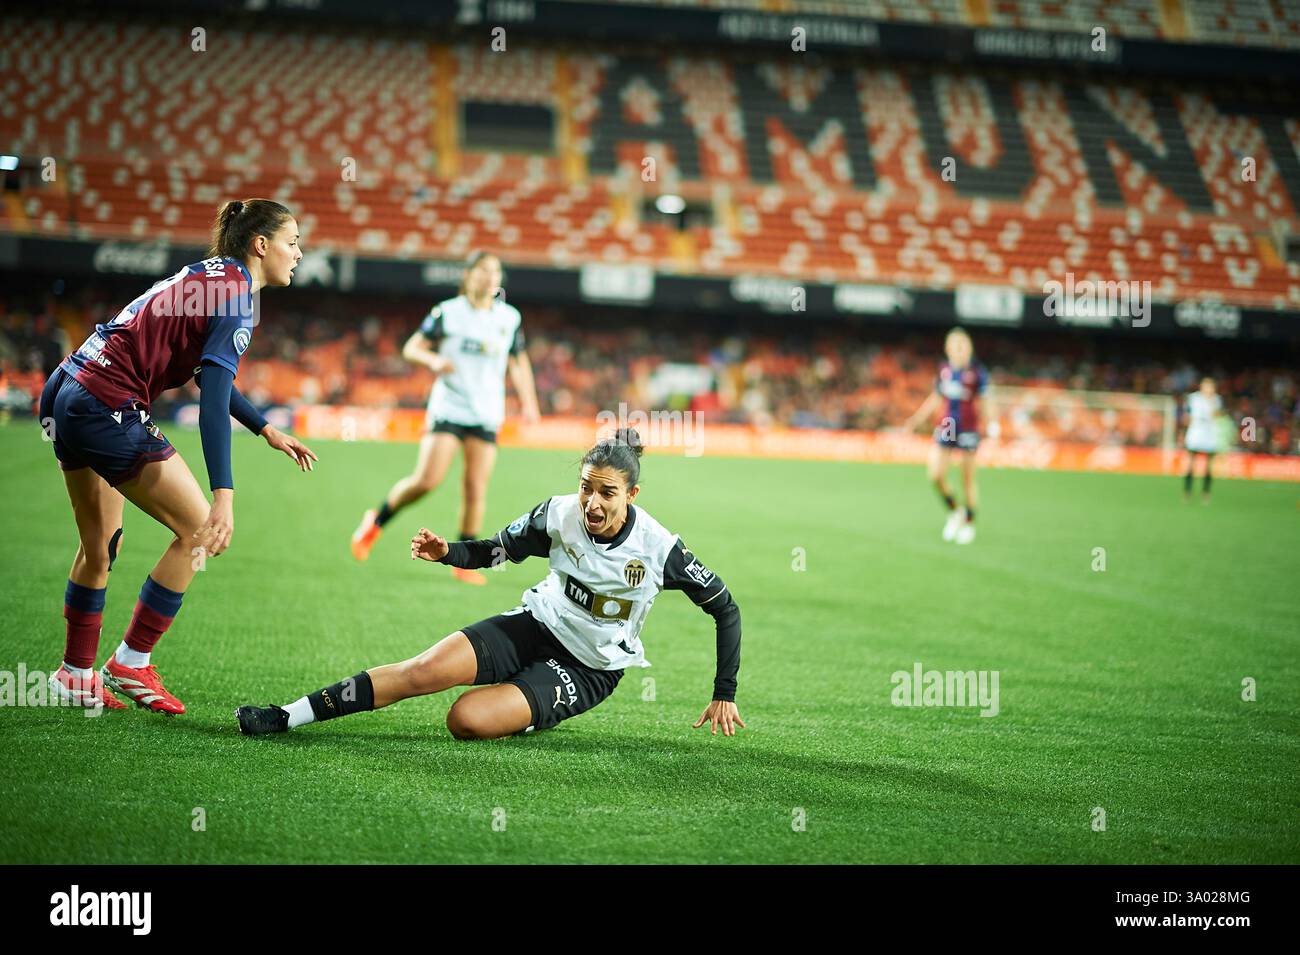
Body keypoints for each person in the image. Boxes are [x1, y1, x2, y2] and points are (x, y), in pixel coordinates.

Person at [240, 429, 744, 739]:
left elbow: (726, 609)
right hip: (536, 625)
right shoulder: (558, 514)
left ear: (632, 494)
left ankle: (528, 703)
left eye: (607, 493)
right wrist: (448, 554)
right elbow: (496, 550)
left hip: (589, 667)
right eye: (585, 487)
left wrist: (725, 691)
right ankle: (288, 716)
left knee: (465, 720)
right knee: (422, 671)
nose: (592, 503)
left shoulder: (659, 549)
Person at [39, 199, 317, 714]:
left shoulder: (211, 276)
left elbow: (206, 373)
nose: (299, 253)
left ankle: (75, 674)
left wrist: (265, 428)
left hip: (69, 385)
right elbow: (211, 399)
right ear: (261, 245)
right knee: (199, 532)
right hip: (107, 402)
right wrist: (224, 496)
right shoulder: (238, 298)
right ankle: (131, 661)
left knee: (99, 548)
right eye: (293, 241)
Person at [350, 251, 541, 585]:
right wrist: (432, 360)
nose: (490, 277)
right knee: (427, 480)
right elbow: (411, 347)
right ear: (468, 275)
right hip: (449, 407)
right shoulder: (448, 313)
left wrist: (529, 401)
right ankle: (375, 521)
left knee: (475, 487)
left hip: (486, 412)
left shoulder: (509, 318)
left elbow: (518, 361)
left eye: (495, 272)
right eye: (483, 270)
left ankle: (464, 563)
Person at [902, 328, 987, 545]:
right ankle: (955, 511)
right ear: (948, 349)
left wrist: (991, 426)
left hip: (968, 428)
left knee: (966, 478)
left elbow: (985, 401)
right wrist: (916, 420)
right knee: (935, 475)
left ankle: (968, 523)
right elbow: (936, 398)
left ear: (969, 348)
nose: (959, 350)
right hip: (947, 426)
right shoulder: (944, 370)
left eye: (962, 345)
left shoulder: (977, 372)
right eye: (954, 346)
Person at [1182, 377, 1222, 504]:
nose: (1208, 389)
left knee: (1208, 467)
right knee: (1190, 464)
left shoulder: (1216, 400)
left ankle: (1206, 493)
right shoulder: (1193, 398)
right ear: (1201, 387)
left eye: (1210, 387)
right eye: (1206, 386)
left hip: (1210, 435)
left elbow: (1217, 415)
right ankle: (1187, 492)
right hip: (1195, 434)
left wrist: (1211, 403)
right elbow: (1186, 416)